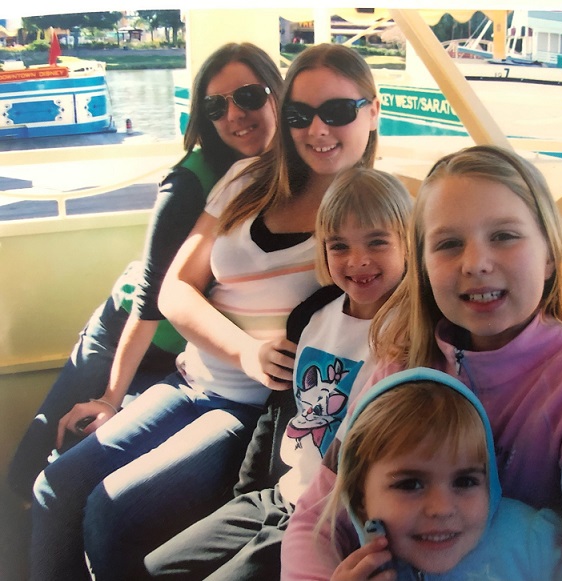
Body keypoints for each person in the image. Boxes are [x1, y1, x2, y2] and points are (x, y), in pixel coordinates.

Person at [29, 43, 380, 581]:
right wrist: (244, 348)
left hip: (246, 409)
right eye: (299, 114)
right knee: (55, 485)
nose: (317, 130)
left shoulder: (370, 223)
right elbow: (174, 290)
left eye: (337, 112)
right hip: (188, 380)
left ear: (372, 111)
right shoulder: (246, 179)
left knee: (111, 510)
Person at [281, 145, 562, 581]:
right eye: (449, 244)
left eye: (504, 236)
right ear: (425, 267)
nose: (476, 264)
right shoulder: (400, 368)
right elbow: (315, 520)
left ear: (549, 255)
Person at [7, 42, 283, 502]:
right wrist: (112, 397)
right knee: (47, 450)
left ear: (278, 93)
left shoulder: (283, 177)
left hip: (181, 351)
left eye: (250, 96)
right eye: (217, 106)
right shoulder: (192, 181)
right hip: (128, 334)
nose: (235, 114)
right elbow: (152, 299)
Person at [144, 167, 411, 579]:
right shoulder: (314, 314)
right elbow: (282, 410)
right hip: (278, 494)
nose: (357, 260)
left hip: (330, 518)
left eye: (377, 242)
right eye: (339, 246)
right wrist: (247, 493)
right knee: (156, 568)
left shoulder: (407, 335)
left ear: (408, 244)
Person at [325, 367, 562, 580]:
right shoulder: (363, 573)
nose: (441, 508)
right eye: (410, 484)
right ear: (359, 499)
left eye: (465, 481)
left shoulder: (534, 543)